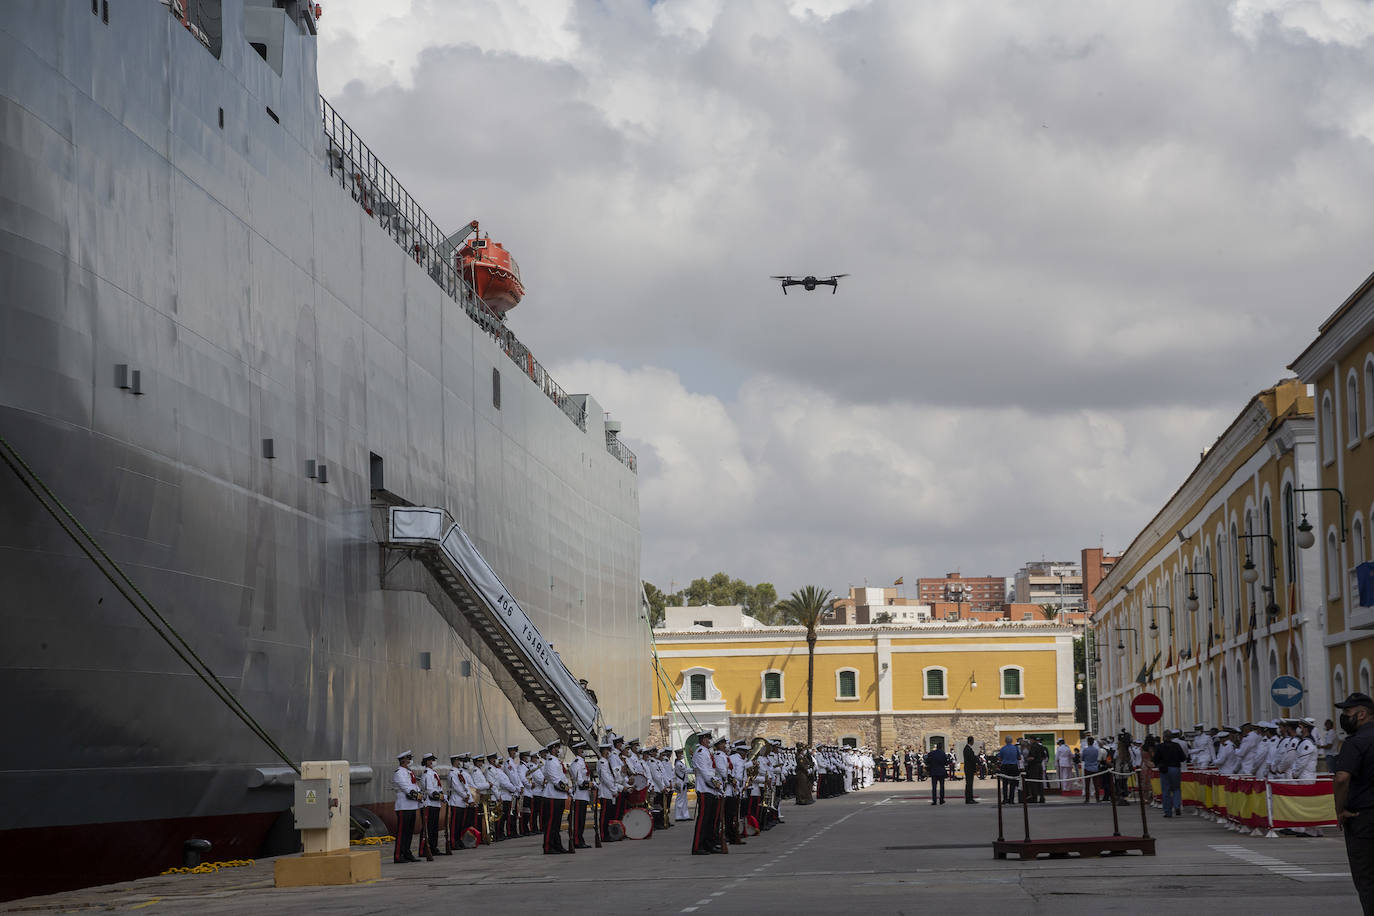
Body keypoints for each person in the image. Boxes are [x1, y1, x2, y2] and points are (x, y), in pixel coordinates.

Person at [1333, 692, 1374, 912]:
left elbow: (1341, 778)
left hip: (1364, 819)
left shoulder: (1355, 743)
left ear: (1361, 714)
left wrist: (1339, 809)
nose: (1343, 717)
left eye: (1347, 712)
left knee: (1367, 878)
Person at [392, 750, 422, 863]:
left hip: (412, 806)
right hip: (403, 806)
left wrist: (420, 793)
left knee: (409, 832)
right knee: (402, 832)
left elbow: (414, 785)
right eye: (408, 759)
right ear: (403, 760)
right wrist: (416, 794)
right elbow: (405, 787)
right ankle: (398, 855)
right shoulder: (399, 772)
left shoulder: (409, 772)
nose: (410, 761)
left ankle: (407, 852)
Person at [1152, 731, 1186, 817]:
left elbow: (1155, 759)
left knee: (1166, 790)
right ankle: (1177, 805)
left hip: (1164, 770)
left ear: (1163, 737)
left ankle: (1168, 811)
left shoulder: (1160, 746)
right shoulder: (1176, 746)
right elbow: (1183, 758)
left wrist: (1159, 764)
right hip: (1175, 768)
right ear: (1171, 737)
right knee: (1176, 789)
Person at [997, 736, 1021, 804]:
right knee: (1013, 784)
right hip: (1014, 766)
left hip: (1005, 766)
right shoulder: (1015, 748)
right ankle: (1011, 799)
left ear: (1005, 741)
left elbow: (999, 758)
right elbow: (1019, 757)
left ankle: (1005, 799)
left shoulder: (1003, 749)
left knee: (1005, 783)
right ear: (1011, 741)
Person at [1080, 737, 1100, 804]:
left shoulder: (1085, 750)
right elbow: (1098, 758)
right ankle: (1097, 798)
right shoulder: (1096, 750)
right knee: (1096, 784)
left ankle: (1087, 799)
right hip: (1095, 768)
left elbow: (1082, 759)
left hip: (1087, 768)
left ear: (1088, 742)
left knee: (1087, 784)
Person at [962, 737, 979, 803]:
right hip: (969, 769)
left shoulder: (967, 748)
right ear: (971, 741)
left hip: (969, 768)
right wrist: (977, 759)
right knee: (969, 784)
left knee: (969, 784)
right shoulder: (967, 749)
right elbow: (971, 758)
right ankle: (969, 799)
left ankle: (969, 798)